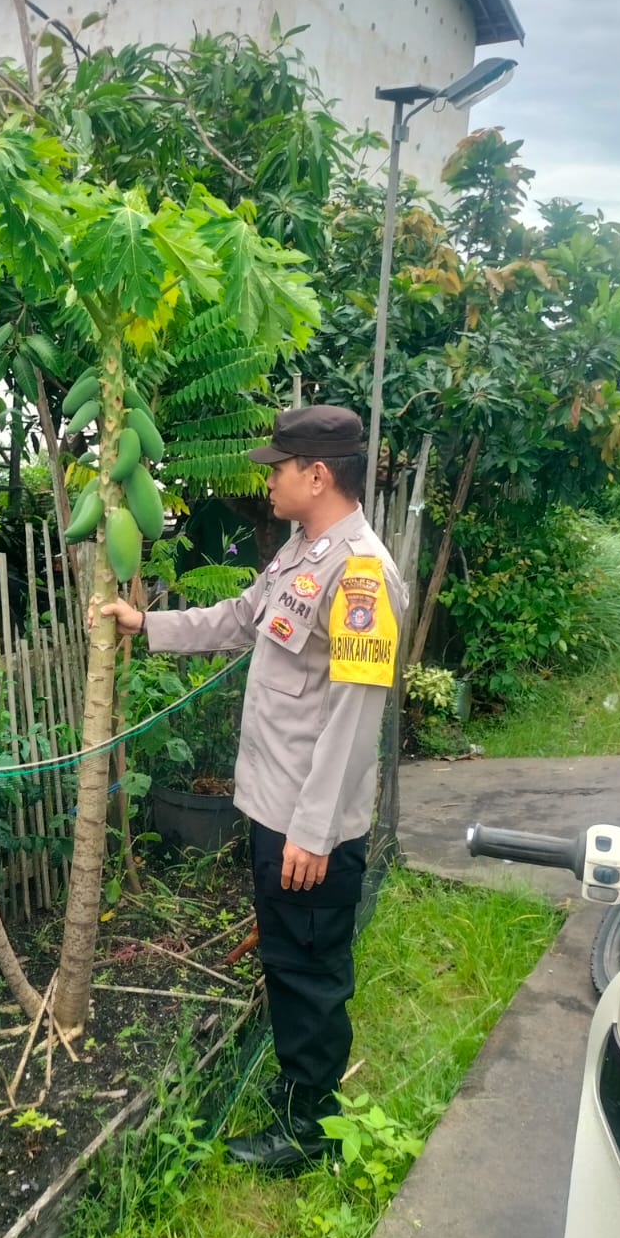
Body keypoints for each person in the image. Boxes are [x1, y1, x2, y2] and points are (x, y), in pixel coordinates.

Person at [102, 405, 407, 1172]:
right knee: (286, 956)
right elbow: (242, 619)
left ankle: (309, 1131)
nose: (267, 479)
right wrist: (147, 625)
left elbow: (353, 719)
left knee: (310, 973)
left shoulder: (362, 575)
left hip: (309, 826)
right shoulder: (303, 551)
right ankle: (299, 1093)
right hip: (276, 809)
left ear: (318, 475)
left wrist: (313, 831)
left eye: (279, 467)